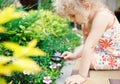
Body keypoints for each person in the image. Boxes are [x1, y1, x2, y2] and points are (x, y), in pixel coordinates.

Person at [53, 0, 120, 84]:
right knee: (86, 58)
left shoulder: (102, 16)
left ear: (86, 6)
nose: (71, 19)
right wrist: (74, 56)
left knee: (88, 60)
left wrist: (81, 75)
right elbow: (86, 45)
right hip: (105, 52)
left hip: (116, 56)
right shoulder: (85, 20)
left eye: (73, 15)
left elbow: (90, 46)